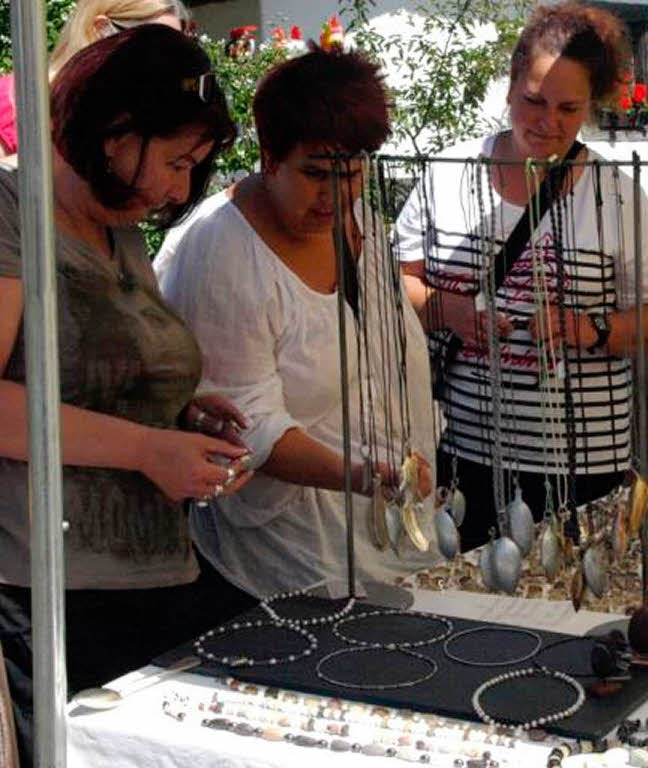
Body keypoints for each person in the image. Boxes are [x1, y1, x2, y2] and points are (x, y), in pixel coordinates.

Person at [0, 25, 247, 764]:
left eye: (194, 168)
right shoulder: (12, 214)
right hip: (52, 594)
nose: (180, 189)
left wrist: (177, 413)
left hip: (155, 576)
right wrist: (147, 448)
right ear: (115, 134)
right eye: (175, 163)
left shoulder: (121, 231)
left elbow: (87, 376)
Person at [396, 0, 648, 551]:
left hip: (585, 466)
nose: (547, 123)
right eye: (533, 101)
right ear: (509, 87)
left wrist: (591, 329)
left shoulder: (616, 195)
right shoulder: (448, 175)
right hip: (466, 455)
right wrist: (452, 312)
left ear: (591, 107)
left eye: (568, 108)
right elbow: (400, 284)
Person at [155, 48, 438, 601]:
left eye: (351, 173)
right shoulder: (223, 252)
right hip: (285, 560)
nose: (335, 196)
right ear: (269, 157)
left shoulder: (359, 223)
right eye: (314, 174)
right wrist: (363, 475)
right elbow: (247, 424)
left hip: (385, 536)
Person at [0, 0, 188, 157]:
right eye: (155, 48)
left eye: (177, 53)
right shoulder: (17, 104)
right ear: (103, 30)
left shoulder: (127, 117)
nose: (168, 66)